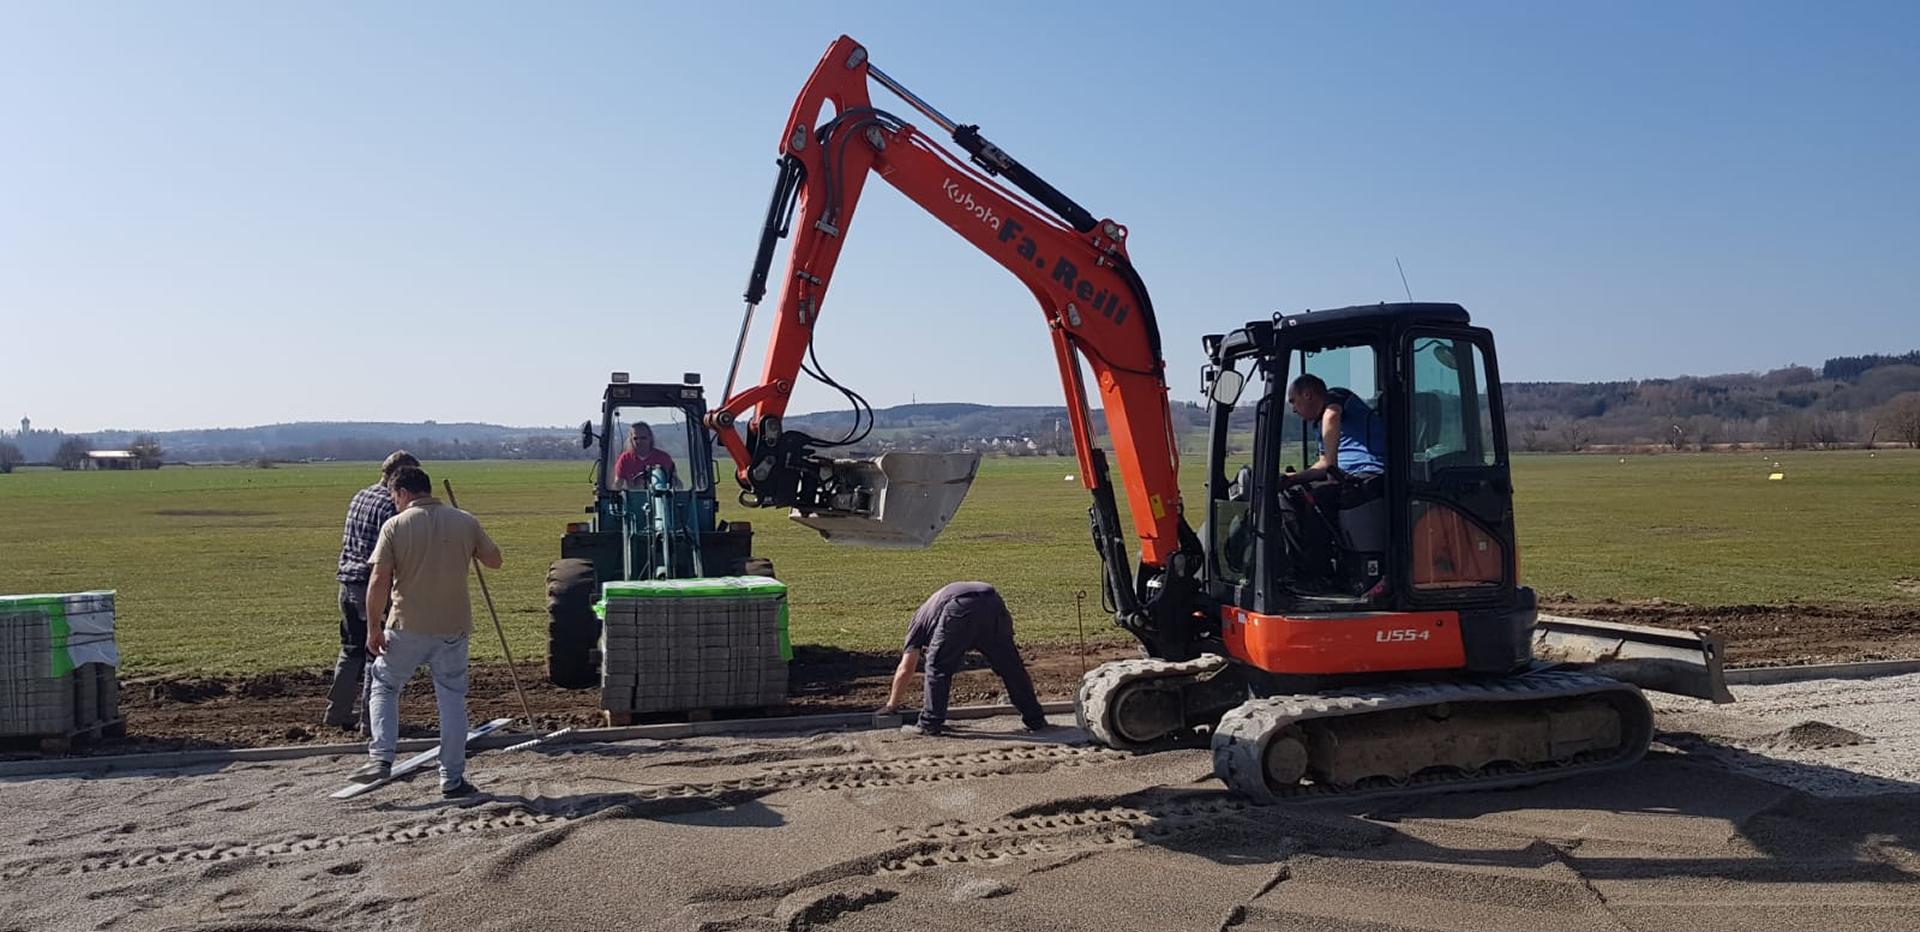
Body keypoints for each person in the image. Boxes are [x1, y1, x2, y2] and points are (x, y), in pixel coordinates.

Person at [349, 465, 502, 797]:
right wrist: (470, 543)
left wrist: (373, 627)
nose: (394, 503)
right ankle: (452, 778)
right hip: (453, 627)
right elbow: (495, 560)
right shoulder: (465, 521)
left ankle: (381, 756)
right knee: (452, 699)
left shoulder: (395, 526)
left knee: (385, 684)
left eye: (394, 497)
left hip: (407, 625)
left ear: (403, 492)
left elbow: (379, 580)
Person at [876, 582, 1048, 737]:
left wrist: (891, 705)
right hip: (993, 602)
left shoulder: (917, 625)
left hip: (959, 607)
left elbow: (906, 668)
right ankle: (1036, 719)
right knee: (1011, 667)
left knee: (937, 666)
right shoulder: (931, 613)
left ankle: (930, 723)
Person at [326, 450, 419, 731]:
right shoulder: (391, 507)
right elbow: (391, 554)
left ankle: (337, 712)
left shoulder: (360, 496)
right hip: (372, 587)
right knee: (377, 653)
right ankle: (372, 720)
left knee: (351, 650)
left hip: (347, 583)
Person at [1278, 374, 1387, 588]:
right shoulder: (1319, 426)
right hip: (1343, 476)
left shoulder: (1338, 398)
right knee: (1288, 495)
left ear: (1308, 394)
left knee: (1320, 497)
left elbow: (1332, 415)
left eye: (1293, 401)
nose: (1293, 409)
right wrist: (1291, 480)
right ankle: (1296, 570)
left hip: (1370, 473)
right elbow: (1323, 464)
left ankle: (1319, 575)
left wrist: (1331, 466)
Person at [613, 422, 676, 488]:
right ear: (631, 440)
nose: (639, 441)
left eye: (643, 438)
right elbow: (617, 484)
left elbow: (676, 483)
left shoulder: (663, 458)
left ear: (650, 438)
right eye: (635, 438)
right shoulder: (625, 459)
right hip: (633, 494)